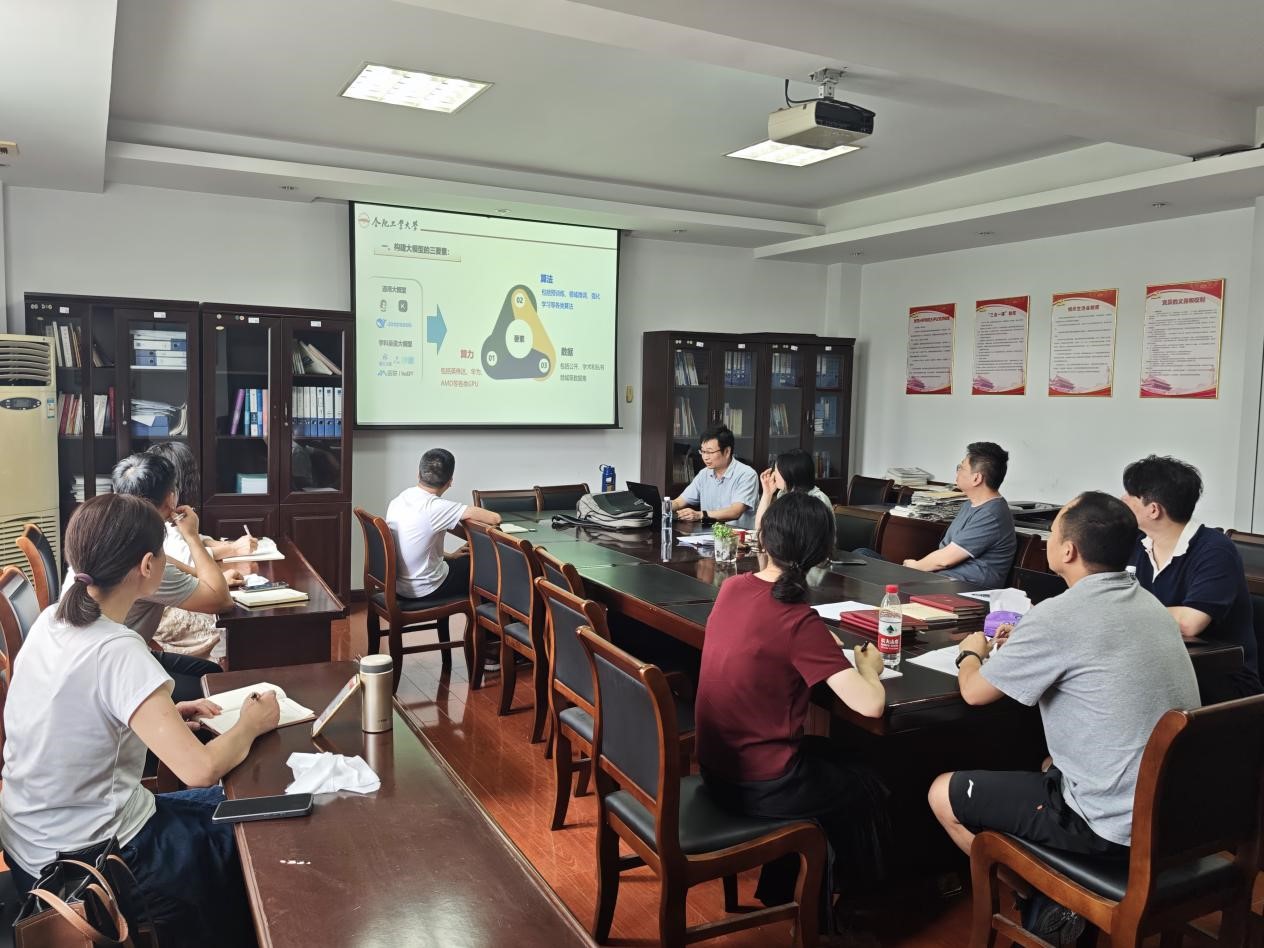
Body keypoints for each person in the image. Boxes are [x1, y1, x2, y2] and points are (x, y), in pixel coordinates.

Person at [0, 493, 280, 946]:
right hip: (96, 865)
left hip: (32, 847)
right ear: (148, 565)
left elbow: (73, 713)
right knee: (253, 835)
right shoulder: (117, 648)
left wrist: (157, 716)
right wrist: (252, 722)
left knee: (230, 805)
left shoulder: (51, 620)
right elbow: (199, 770)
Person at [928, 492, 1200, 944]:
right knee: (1047, 764)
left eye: (1052, 533)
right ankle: (1059, 904)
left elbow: (974, 693)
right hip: (1177, 813)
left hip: (1111, 827)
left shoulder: (1059, 614)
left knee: (942, 793)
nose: (1048, 540)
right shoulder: (1150, 604)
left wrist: (970, 653)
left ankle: (1054, 899)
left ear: (1068, 550)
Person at [696, 492, 888, 931]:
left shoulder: (733, 587)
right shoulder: (798, 620)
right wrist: (869, 669)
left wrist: (820, 643)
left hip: (717, 767)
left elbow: (768, 640)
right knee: (867, 782)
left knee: (836, 760)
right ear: (823, 553)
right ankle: (845, 915)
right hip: (763, 783)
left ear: (763, 538)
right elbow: (871, 704)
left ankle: (783, 890)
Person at [1122, 454, 1263, 703]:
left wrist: (1119, 610)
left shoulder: (1215, 550)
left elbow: (1190, 623)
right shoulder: (1137, 541)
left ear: (1153, 509)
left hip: (1220, 681)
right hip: (1159, 666)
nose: (1122, 500)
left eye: (1129, 495)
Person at [96, 453, 233, 702]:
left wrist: (198, 575)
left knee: (211, 672)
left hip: (111, 652)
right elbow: (222, 601)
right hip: (118, 670)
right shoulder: (144, 562)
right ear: (171, 497)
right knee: (216, 687)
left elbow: (166, 561)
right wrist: (191, 535)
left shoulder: (112, 533)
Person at [386, 448, 503, 601]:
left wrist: (450, 556)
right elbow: (495, 518)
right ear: (450, 481)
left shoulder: (401, 498)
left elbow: (411, 547)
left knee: (468, 562)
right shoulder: (436, 507)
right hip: (426, 588)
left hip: (399, 585)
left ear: (418, 474)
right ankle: (490, 613)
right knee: (486, 564)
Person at [903, 441, 1016, 586]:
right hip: (945, 580)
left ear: (976, 478)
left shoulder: (991, 514)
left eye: (961, 468)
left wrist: (915, 567)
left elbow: (945, 560)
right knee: (872, 558)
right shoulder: (969, 505)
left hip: (967, 588)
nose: (957, 472)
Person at [145, 441, 258, 562]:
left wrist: (211, 542)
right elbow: (188, 558)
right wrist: (234, 549)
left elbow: (187, 537)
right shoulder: (161, 522)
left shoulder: (161, 511)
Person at [672, 425, 760, 529]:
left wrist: (701, 515)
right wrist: (662, 507)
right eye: (703, 451)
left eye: (710, 452)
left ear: (727, 451)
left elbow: (735, 512)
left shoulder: (746, 474)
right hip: (707, 534)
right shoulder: (704, 474)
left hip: (738, 536)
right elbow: (678, 502)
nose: (705, 457)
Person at [754, 447, 833, 531]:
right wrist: (767, 493)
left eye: (777, 470)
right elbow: (759, 528)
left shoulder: (818, 499)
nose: (773, 474)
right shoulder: (783, 494)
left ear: (790, 474)